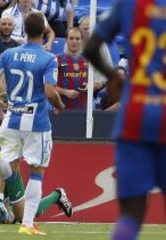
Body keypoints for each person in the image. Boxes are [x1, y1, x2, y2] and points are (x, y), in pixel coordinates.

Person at [83, 1, 166, 239]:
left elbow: (91, 47)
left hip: (135, 114)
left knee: (131, 212)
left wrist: (113, 78)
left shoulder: (129, 4)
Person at [0, 12, 65, 235]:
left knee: (8, 163)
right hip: (36, 121)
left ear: (24, 30)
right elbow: (49, 91)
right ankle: (28, 224)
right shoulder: (48, 58)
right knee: (36, 171)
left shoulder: (10, 53)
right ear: (45, 30)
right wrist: (59, 104)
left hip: (11, 117)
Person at [56, 27, 88, 110]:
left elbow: (99, 82)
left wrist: (91, 86)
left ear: (82, 41)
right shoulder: (56, 60)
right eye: (71, 38)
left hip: (83, 111)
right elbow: (48, 87)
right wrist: (64, 92)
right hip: (62, 110)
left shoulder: (88, 61)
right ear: (66, 40)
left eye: (77, 39)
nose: (74, 41)